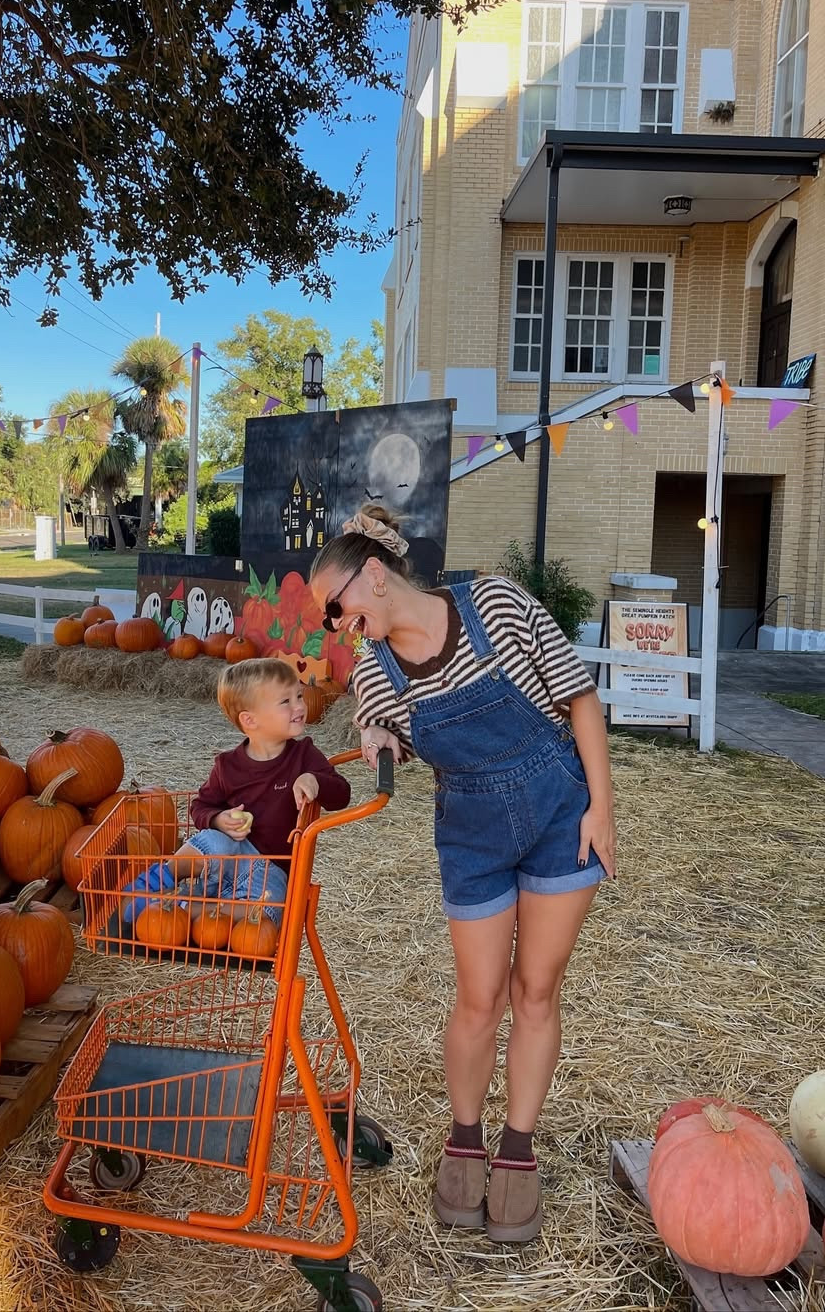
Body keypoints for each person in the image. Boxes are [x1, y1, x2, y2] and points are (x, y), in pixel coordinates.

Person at [309, 508, 616, 1244]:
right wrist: (377, 737)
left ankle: (517, 1148)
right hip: (471, 833)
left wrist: (601, 808)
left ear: (373, 575)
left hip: (559, 815)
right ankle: (466, 1137)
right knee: (480, 1000)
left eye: (336, 607)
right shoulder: (376, 670)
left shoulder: (498, 604)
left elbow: (578, 698)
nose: (334, 626)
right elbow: (384, 733)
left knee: (536, 991)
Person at [121, 658, 352, 926]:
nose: (300, 705)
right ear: (250, 720)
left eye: (299, 695)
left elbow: (341, 794)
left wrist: (315, 780)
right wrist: (219, 820)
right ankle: (161, 878)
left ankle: (180, 909)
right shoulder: (227, 766)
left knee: (271, 909)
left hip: (269, 874)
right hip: (226, 858)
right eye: (285, 701)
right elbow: (200, 807)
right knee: (215, 841)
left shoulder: (305, 756)